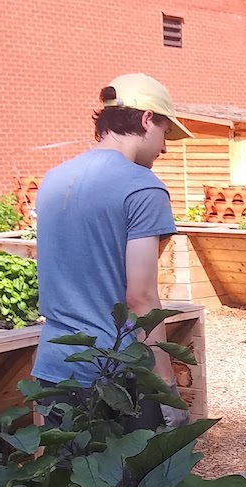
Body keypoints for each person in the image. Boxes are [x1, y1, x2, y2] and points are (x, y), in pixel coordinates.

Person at [31, 73, 193, 428]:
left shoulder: (54, 179)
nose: (164, 148)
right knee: (134, 483)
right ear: (147, 119)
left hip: (54, 368)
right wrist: (165, 387)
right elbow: (141, 298)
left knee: (65, 481)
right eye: (165, 133)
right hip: (116, 378)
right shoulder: (142, 188)